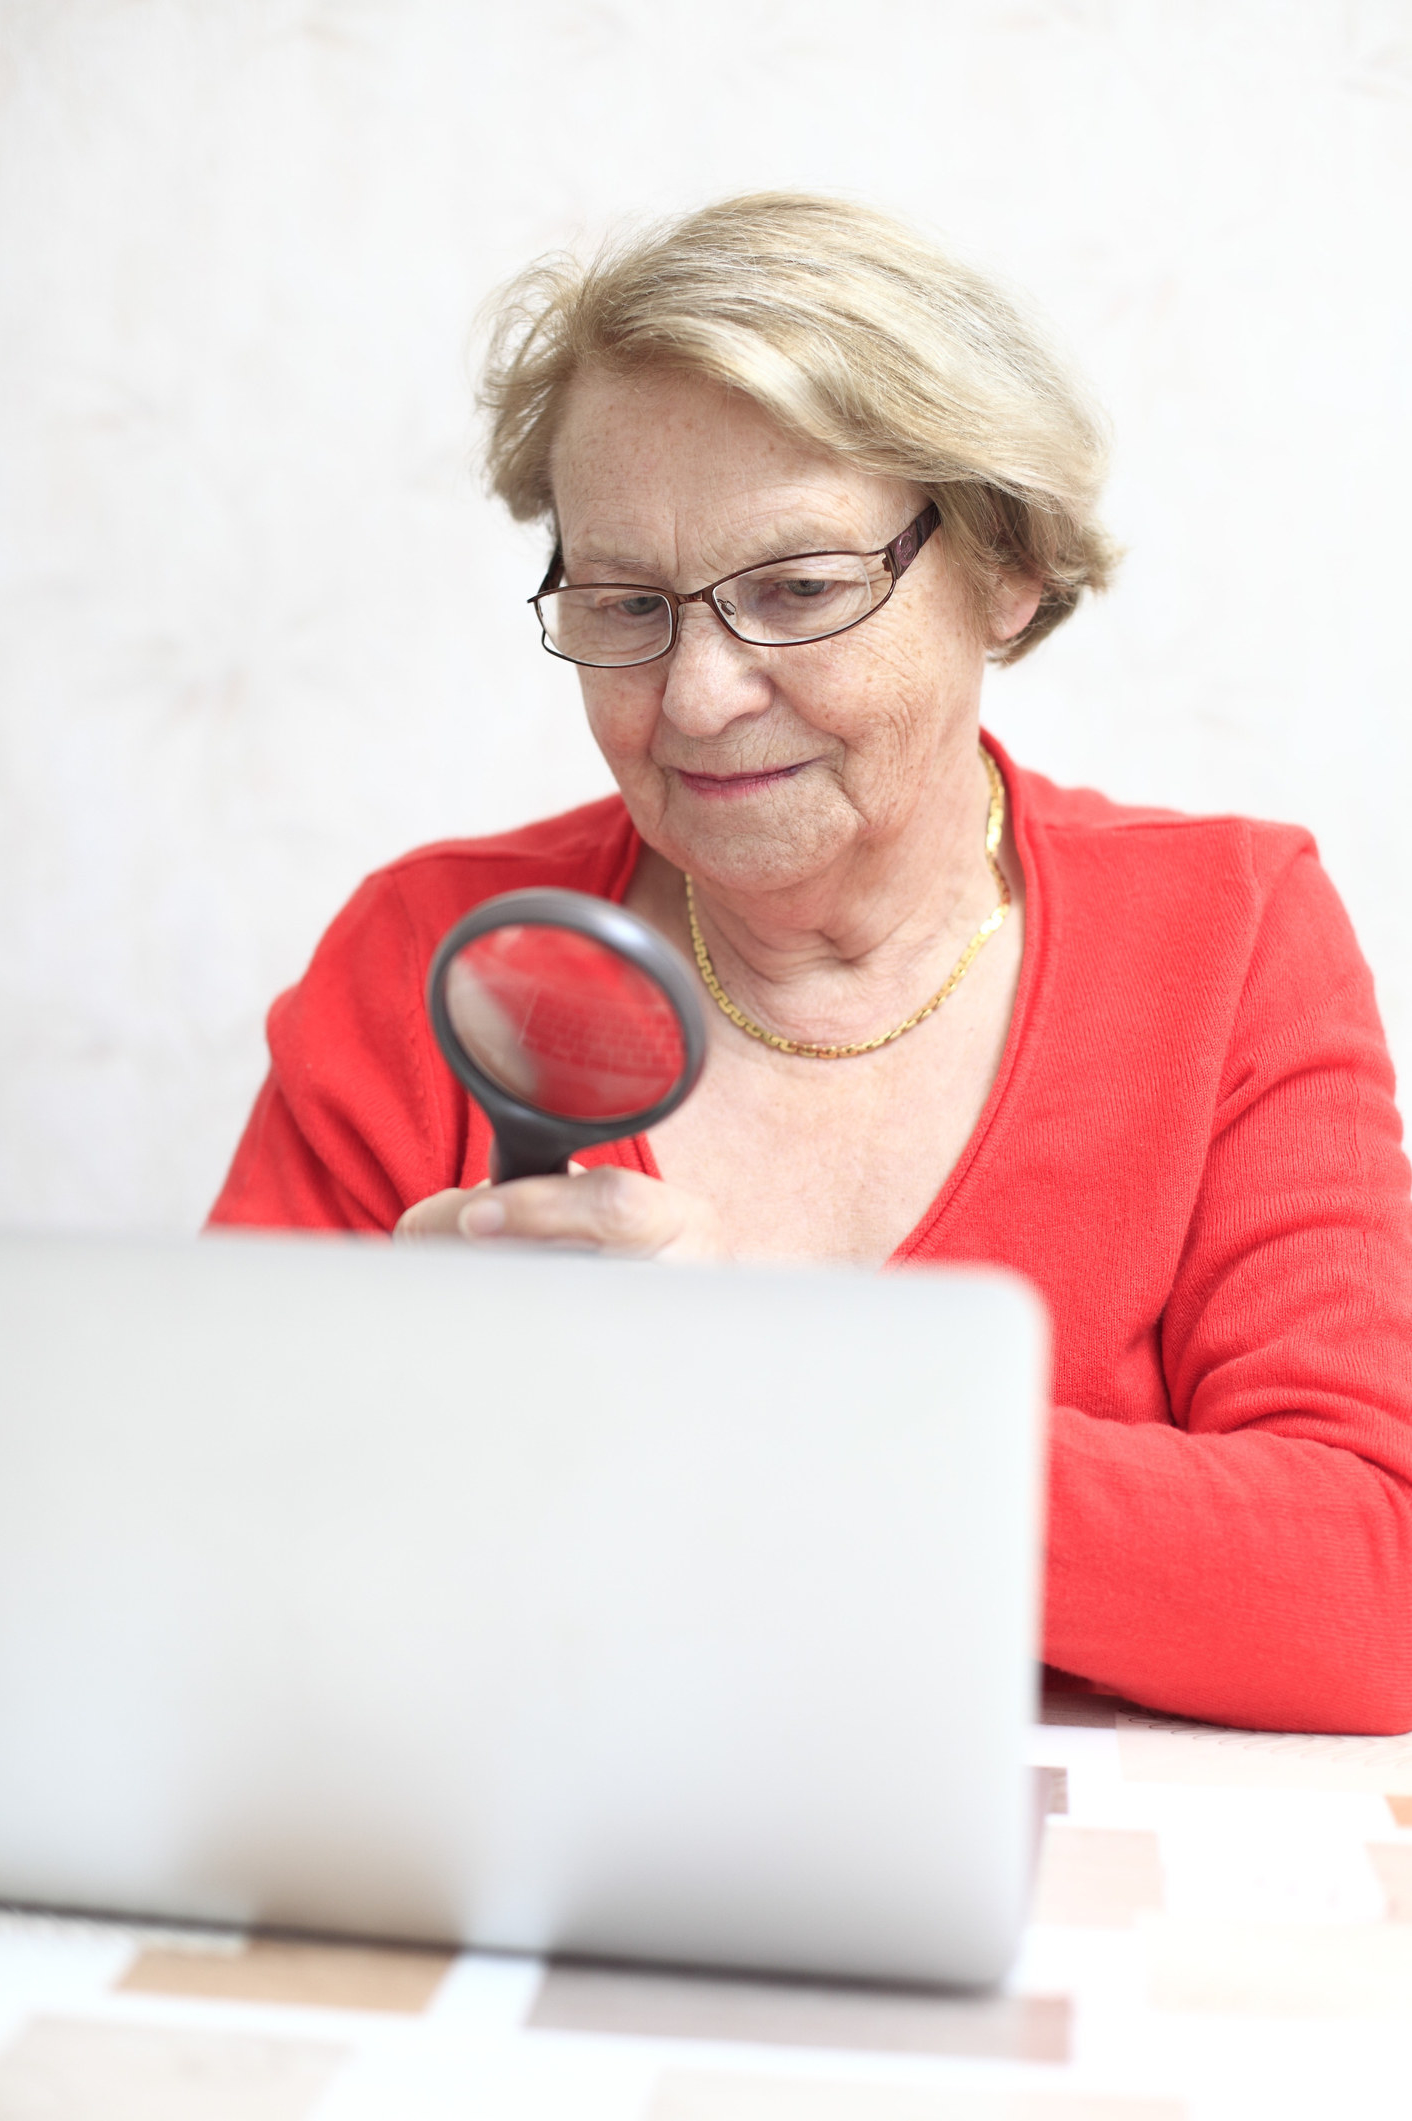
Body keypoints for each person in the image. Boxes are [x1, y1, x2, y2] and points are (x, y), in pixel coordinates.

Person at [210, 194, 1412, 1736]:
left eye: (795, 591)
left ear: (1006, 567)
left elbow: (1362, 1594)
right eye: (626, 606)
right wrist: (398, 1422)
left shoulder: (1227, 929)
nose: (697, 698)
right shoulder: (435, 956)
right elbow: (211, 1550)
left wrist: (798, 1388)